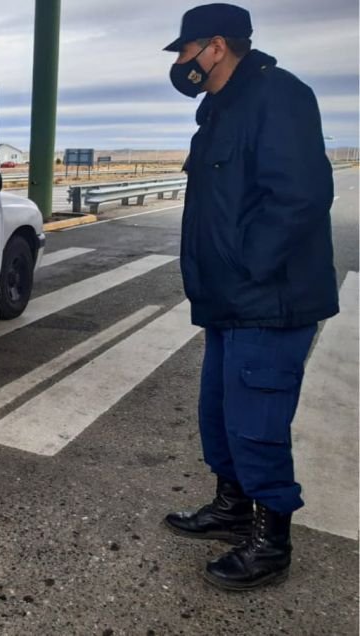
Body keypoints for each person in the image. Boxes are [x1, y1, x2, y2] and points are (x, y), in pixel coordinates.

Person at [161, 3, 339, 590]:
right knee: (220, 413)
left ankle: (270, 542)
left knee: (257, 420)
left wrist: (248, 267)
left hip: (268, 299)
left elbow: (300, 197)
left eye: (186, 51)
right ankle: (233, 507)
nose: (181, 64)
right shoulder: (221, 109)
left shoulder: (278, 97)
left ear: (216, 46)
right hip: (228, 299)